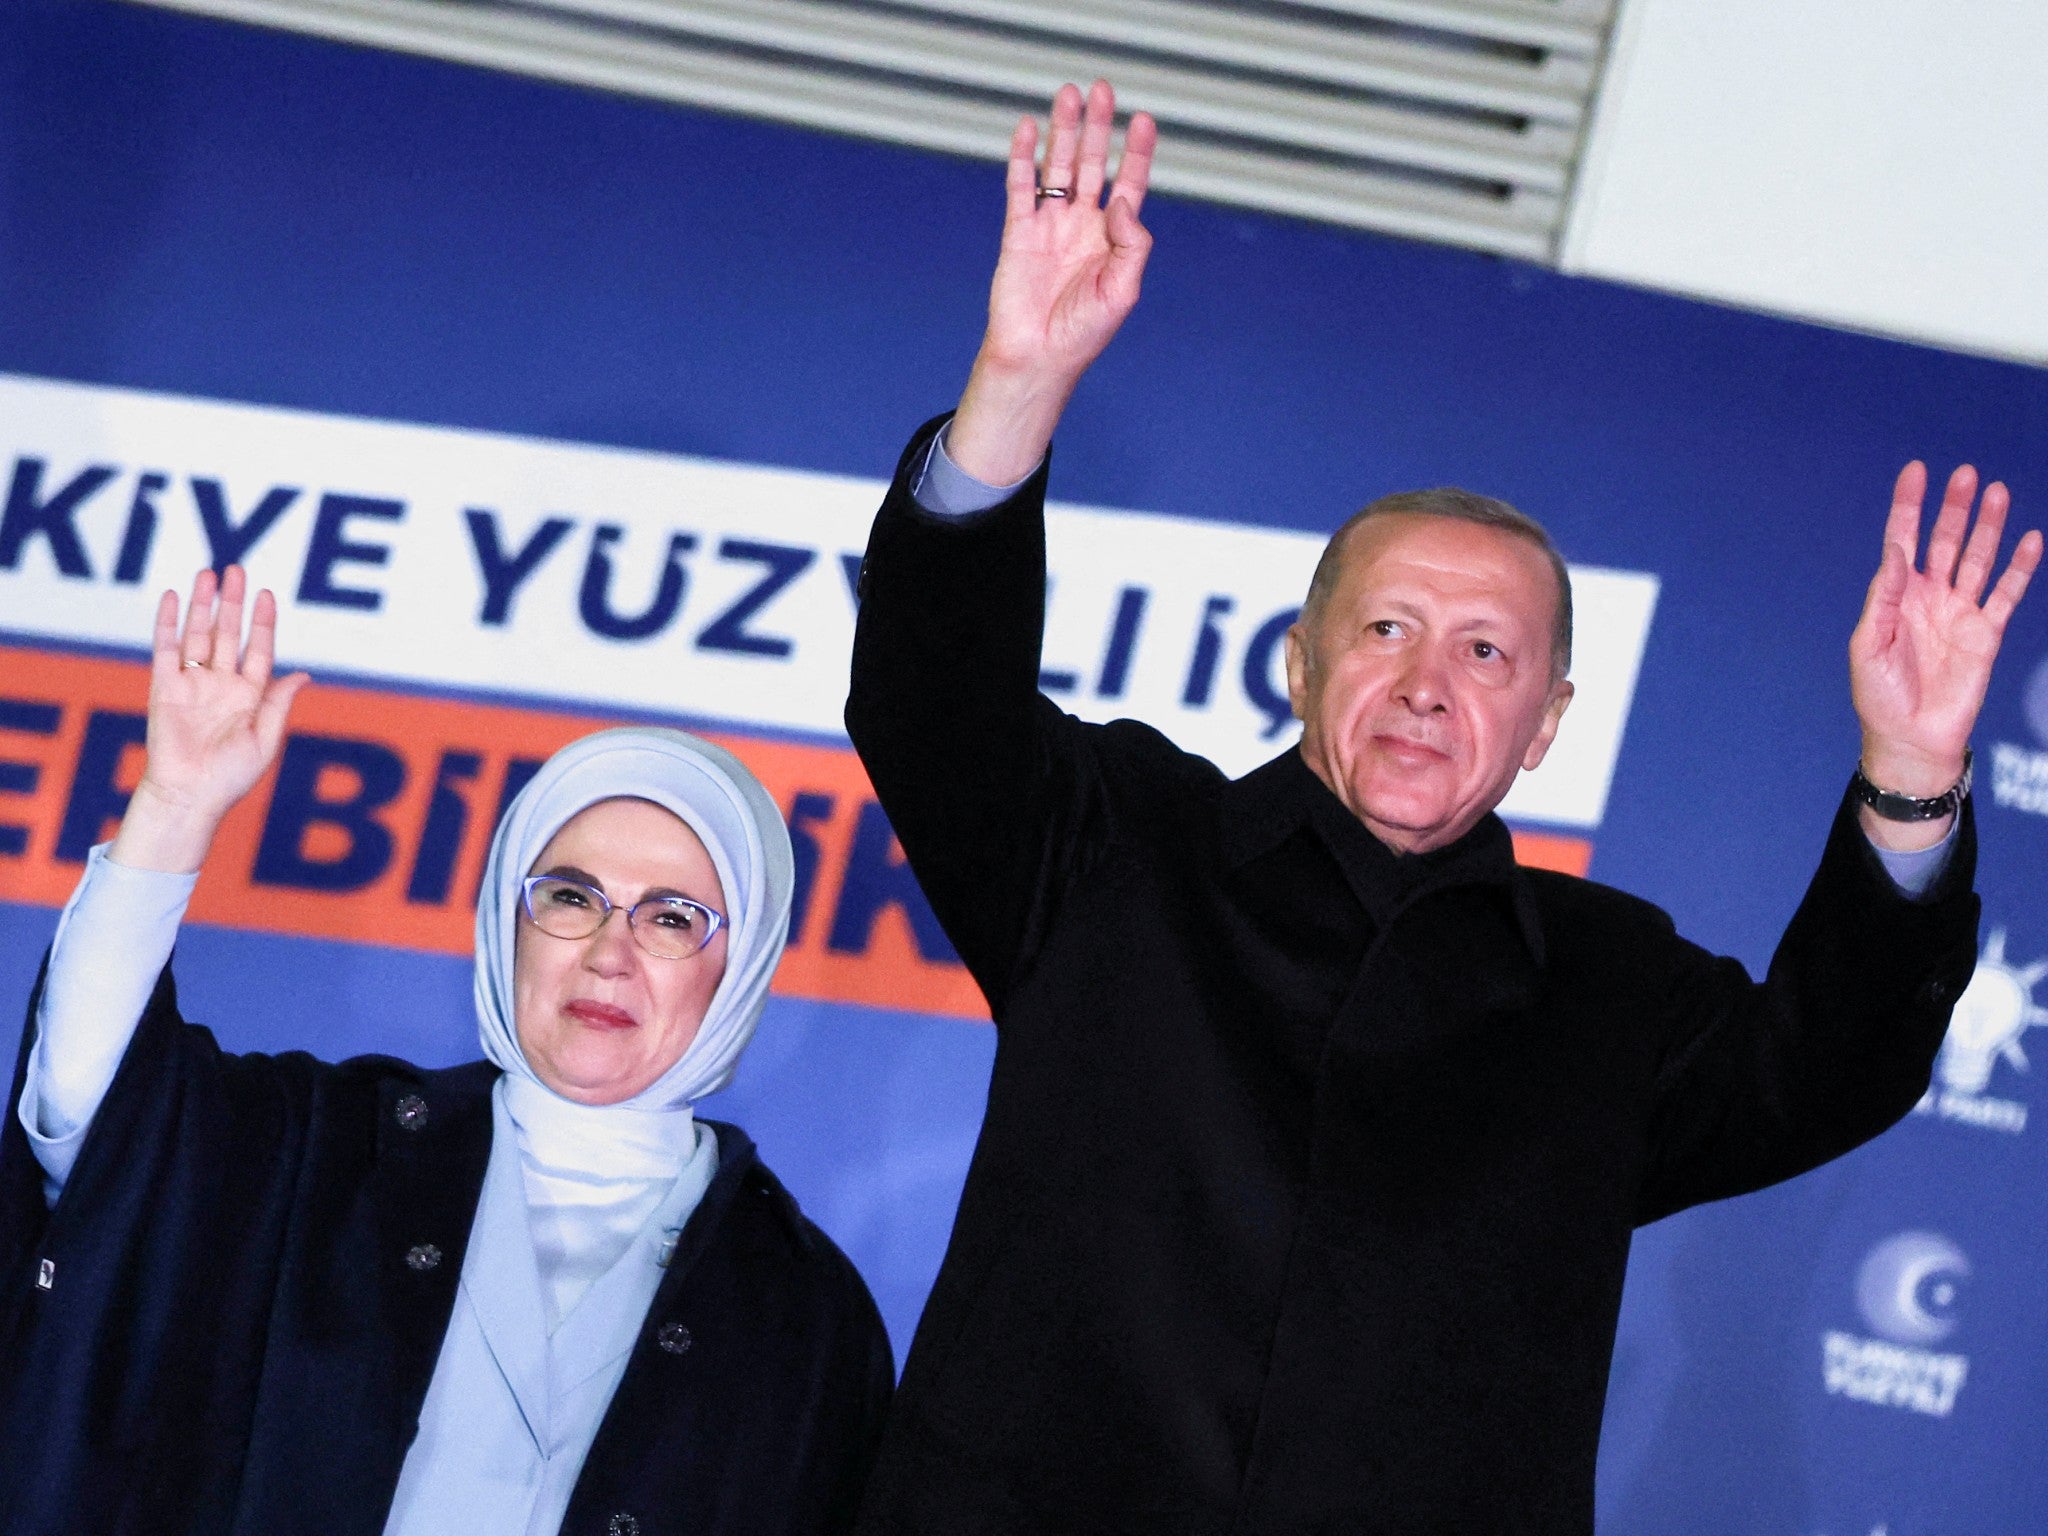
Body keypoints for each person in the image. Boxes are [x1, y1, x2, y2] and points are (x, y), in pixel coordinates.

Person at [843, 81, 2042, 1534]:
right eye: (1386, 629)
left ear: (1546, 727)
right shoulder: (1114, 849)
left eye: (1486, 654)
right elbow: (929, 700)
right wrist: (1018, 386)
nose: (1427, 683)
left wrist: (1909, 772)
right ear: (1298, 661)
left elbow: (1835, 1066)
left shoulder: (1611, 985)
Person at [0, 566, 893, 1535]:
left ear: (742, 964)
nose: (608, 953)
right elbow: (95, 1110)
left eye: (672, 919)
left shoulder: (804, 1314)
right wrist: (173, 808)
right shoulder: (324, 1151)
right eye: (569, 896)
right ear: (505, 919)